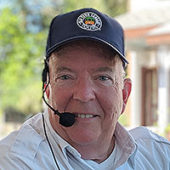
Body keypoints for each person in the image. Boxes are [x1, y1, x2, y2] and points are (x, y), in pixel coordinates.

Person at [0, 8, 169, 170]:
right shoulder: (13, 160)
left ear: (124, 95)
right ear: (47, 90)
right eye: (66, 77)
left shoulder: (160, 155)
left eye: (103, 78)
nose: (84, 95)